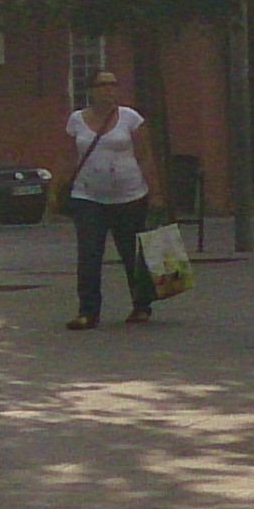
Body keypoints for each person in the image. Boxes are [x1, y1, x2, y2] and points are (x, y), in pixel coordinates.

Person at [61, 69, 157, 330]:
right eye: (103, 85)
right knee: (89, 254)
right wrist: (56, 192)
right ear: (91, 90)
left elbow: (145, 156)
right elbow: (68, 157)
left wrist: (156, 192)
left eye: (113, 85)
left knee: (132, 253)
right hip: (88, 197)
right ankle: (88, 311)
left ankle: (141, 304)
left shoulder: (131, 119)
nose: (109, 90)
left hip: (129, 197)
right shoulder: (76, 121)